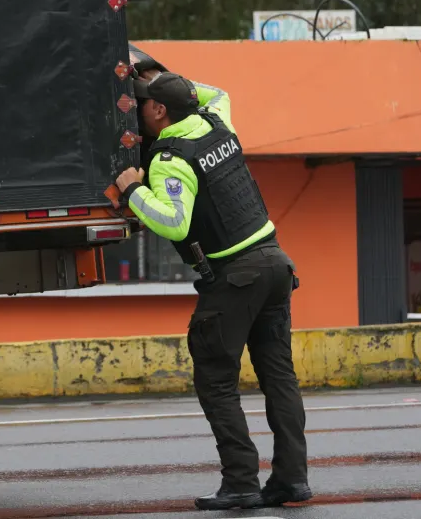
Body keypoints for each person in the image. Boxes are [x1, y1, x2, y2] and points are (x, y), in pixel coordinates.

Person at [115, 49, 312, 511]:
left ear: (158, 111)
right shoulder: (217, 121)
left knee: (217, 382)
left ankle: (241, 482)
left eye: (142, 102)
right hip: (276, 263)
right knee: (279, 378)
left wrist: (132, 190)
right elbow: (216, 92)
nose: (136, 111)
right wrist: (167, 79)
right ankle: (291, 481)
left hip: (235, 277)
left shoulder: (169, 158)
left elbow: (174, 222)